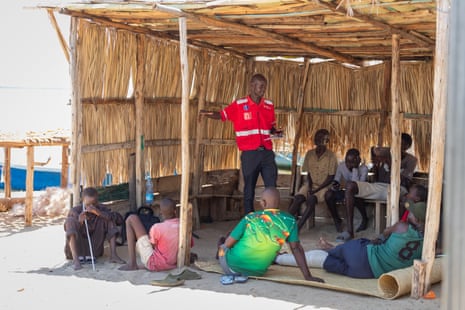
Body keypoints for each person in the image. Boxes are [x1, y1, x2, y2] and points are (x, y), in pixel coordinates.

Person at [275, 184, 427, 279]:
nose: (410, 213)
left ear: (416, 219)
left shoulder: (402, 226)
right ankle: (280, 260)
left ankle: (280, 258)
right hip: (366, 273)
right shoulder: (426, 245)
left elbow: (386, 232)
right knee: (323, 262)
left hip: (362, 254)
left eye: (412, 213)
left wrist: (379, 239)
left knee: (344, 250)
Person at [199, 73, 281, 215]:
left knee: (271, 186)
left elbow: (271, 127)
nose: (262, 89)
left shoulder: (269, 105)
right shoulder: (239, 105)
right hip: (250, 154)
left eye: (264, 87)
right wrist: (208, 114)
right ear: (251, 86)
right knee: (249, 188)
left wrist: (276, 132)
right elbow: (222, 115)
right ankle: (249, 219)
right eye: (259, 86)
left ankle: (272, 218)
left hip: (267, 153)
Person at [217, 187, 324, 283]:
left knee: (223, 241)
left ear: (263, 203)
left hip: (232, 267)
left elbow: (227, 244)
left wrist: (223, 245)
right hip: (258, 271)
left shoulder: (250, 217)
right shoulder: (290, 221)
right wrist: (307, 276)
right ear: (279, 202)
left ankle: (219, 256)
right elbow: (296, 249)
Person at [340, 133, 418, 241]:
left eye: (402, 144)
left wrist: (389, 163)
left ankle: (394, 232)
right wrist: (376, 162)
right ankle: (349, 230)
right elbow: (374, 150)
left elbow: (405, 180)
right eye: (397, 142)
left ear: (407, 146)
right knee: (350, 186)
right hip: (378, 186)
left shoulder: (411, 160)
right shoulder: (388, 152)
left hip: (398, 188)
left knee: (404, 199)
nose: (399, 145)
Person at [119, 198, 189, 271]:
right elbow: (188, 244)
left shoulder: (157, 227)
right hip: (173, 264)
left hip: (154, 264)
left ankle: (132, 264)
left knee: (131, 218)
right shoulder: (184, 226)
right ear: (175, 211)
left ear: (161, 212)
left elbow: (152, 246)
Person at [64, 187, 125, 270]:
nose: (91, 207)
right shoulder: (75, 211)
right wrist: (79, 222)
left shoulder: (101, 208)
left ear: (97, 201)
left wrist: (99, 213)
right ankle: (76, 261)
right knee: (70, 221)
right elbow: (67, 227)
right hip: (78, 249)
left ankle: (113, 255)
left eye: (94, 203)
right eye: (88, 204)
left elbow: (119, 220)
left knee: (109, 219)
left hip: (94, 251)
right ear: (82, 201)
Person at [288, 129, 338, 231]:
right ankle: (282, 223)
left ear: (327, 141)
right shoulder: (309, 154)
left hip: (324, 186)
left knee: (311, 200)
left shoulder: (331, 156)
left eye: (321, 138)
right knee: (298, 198)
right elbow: (309, 173)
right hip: (311, 184)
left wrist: (315, 191)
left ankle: (298, 228)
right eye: (316, 137)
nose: (317, 139)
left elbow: (330, 178)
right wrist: (310, 187)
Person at [324, 148, 369, 233]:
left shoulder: (364, 169)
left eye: (351, 162)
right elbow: (337, 179)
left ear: (357, 160)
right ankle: (337, 220)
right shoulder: (342, 166)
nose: (348, 164)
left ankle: (364, 218)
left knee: (355, 196)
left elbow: (358, 186)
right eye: (347, 161)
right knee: (328, 195)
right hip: (347, 192)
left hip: (359, 193)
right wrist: (335, 185)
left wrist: (355, 168)